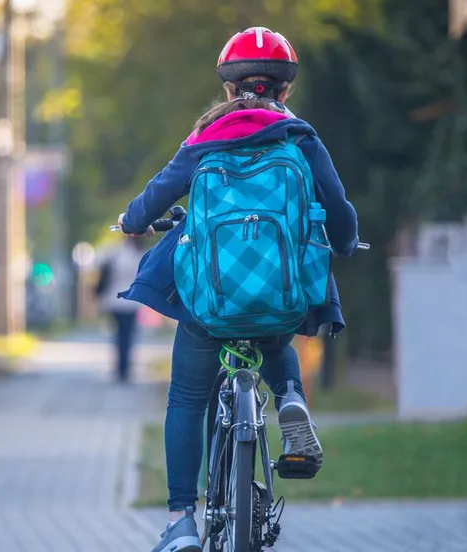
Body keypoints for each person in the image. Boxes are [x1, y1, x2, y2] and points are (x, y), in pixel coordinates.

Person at [116, 27, 359, 552]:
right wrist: (345, 240)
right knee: (279, 324)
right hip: (279, 298)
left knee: (185, 397)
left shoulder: (205, 138)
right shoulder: (300, 137)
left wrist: (132, 220)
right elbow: (338, 210)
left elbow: (150, 202)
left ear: (229, 89)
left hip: (210, 306)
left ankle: (182, 519)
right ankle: (290, 396)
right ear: (283, 90)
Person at [95, 237, 148, 383]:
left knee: (119, 335)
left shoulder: (114, 254)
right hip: (131, 301)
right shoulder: (140, 255)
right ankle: (125, 367)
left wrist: (99, 296)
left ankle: (120, 367)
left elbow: (104, 276)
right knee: (128, 335)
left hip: (114, 300)